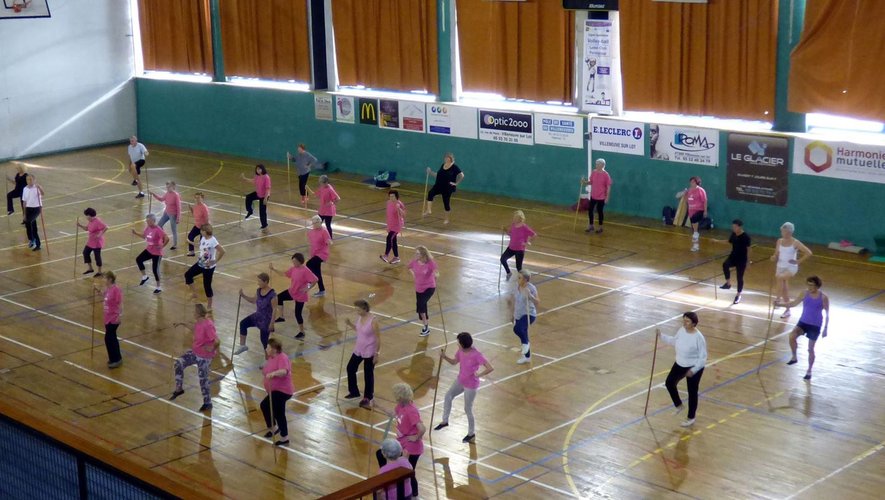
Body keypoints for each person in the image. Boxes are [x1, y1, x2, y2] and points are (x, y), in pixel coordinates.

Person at [434, 332, 494, 443]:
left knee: (467, 409)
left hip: (471, 385)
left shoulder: (476, 354)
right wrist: (444, 357)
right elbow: (454, 362)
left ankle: (471, 433)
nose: (457, 344)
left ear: (463, 344)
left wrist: (479, 375)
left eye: (458, 343)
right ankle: (445, 421)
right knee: (448, 395)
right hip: (460, 380)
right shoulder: (461, 351)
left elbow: (490, 368)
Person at [656, 312, 707, 427]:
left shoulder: (699, 338)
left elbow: (703, 358)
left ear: (694, 324)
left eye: (687, 321)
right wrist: (661, 336)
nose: (684, 323)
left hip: (694, 366)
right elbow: (674, 341)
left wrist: (693, 370)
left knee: (692, 392)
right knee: (669, 383)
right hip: (680, 364)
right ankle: (679, 405)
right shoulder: (681, 330)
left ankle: (691, 417)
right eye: (684, 320)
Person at [375, 383, 424, 498]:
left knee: (408, 471)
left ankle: (414, 493)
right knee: (380, 454)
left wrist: (416, 437)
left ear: (401, 397)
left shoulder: (411, 410)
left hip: (412, 446)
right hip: (402, 441)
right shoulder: (400, 406)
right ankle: (388, 474)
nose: (395, 398)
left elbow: (422, 428)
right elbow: (393, 414)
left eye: (397, 396)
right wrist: (378, 406)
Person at [777, 276, 829, 380]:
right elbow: (793, 303)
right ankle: (794, 356)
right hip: (803, 322)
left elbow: (827, 313)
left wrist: (825, 328)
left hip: (815, 325)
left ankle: (809, 370)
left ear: (817, 286)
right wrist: (780, 304)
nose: (810, 287)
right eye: (808, 285)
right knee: (792, 336)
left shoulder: (823, 297)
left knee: (810, 349)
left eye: (812, 285)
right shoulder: (804, 293)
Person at [170, 304, 220, 412]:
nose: (193, 313)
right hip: (195, 353)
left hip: (204, 358)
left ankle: (208, 403)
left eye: (194, 312)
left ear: (198, 314)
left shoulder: (208, 325)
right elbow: (194, 328)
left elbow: (217, 341)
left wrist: (211, 348)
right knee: (179, 363)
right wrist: (182, 323)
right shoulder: (199, 323)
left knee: (203, 380)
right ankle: (179, 389)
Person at [270, 252, 317, 339]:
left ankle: (302, 332)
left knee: (297, 314)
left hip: (300, 295)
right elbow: (284, 274)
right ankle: (281, 317)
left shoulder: (306, 271)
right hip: (292, 292)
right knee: (278, 297)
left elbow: (315, 280)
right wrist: (273, 269)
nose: (293, 263)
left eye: (295, 262)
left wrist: (308, 288)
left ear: (300, 261)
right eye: (293, 261)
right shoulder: (293, 269)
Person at [771, 222, 813, 319]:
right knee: (784, 287)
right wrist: (774, 257)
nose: (782, 232)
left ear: (789, 232)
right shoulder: (779, 241)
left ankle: (777, 299)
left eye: (784, 231)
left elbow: (808, 253)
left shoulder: (795, 242)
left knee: (780, 278)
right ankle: (787, 310)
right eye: (782, 230)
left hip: (791, 267)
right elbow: (776, 254)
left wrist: (798, 261)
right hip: (780, 266)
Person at [344, 299, 381, 409]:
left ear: (365, 309)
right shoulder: (360, 317)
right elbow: (358, 329)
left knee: (368, 374)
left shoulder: (373, 321)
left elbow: (378, 338)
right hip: (359, 348)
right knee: (350, 368)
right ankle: (354, 391)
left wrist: (377, 353)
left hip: (370, 350)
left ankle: (367, 397)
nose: (357, 311)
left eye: (358, 309)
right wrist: (349, 324)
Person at [260, 338, 293, 446]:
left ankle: (274, 428)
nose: (266, 349)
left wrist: (273, 373)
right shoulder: (271, 357)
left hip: (282, 391)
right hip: (274, 390)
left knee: (265, 405)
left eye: (268, 347)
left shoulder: (282, 357)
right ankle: (284, 437)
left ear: (274, 349)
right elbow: (266, 371)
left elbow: (284, 371)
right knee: (279, 413)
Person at [234, 273, 277, 356]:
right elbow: (253, 300)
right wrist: (243, 295)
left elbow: (275, 309)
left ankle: (267, 360)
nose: (258, 283)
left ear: (266, 282)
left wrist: (272, 323)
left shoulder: (272, 295)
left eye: (260, 281)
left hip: (266, 320)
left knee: (264, 341)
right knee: (243, 323)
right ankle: (243, 346)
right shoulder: (258, 290)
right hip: (257, 316)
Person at [185, 224, 224, 310]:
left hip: (208, 267)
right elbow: (200, 245)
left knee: (207, 285)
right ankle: (194, 293)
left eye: (201, 231)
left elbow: (222, 251)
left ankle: (209, 305)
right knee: (188, 274)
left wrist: (215, 261)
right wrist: (190, 242)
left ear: (205, 231)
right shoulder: (203, 238)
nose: (200, 232)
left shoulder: (213, 241)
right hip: (201, 262)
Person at [714, 219, 751, 304]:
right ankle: (728, 283)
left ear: (740, 227)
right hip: (733, 257)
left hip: (742, 259)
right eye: (733, 226)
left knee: (739, 277)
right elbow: (728, 241)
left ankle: (738, 295)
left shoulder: (746, 237)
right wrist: (717, 241)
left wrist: (748, 261)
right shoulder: (734, 234)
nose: (733, 228)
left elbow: (749, 249)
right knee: (725, 265)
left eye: (735, 227)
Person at [132, 213, 169, 294]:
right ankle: (145, 276)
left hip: (157, 253)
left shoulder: (158, 229)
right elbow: (144, 236)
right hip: (149, 250)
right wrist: (135, 233)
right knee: (139, 259)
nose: (147, 222)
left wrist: (162, 246)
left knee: (155, 270)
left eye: (149, 221)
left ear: (153, 221)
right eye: (147, 221)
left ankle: (158, 287)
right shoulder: (148, 228)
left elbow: (166, 238)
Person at [424, 153, 464, 225]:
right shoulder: (443, 165)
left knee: (446, 203)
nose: (446, 159)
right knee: (430, 193)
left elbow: (462, 175)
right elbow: (437, 175)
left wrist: (456, 183)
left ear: (451, 159)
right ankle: (428, 210)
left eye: (448, 158)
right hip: (438, 185)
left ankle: (446, 219)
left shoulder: (454, 167)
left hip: (447, 188)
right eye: (445, 158)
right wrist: (430, 172)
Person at [509, 270, 539, 365]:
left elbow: (537, 301)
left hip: (529, 314)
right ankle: (527, 357)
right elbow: (513, 301)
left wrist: (530, 295)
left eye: (519, 278)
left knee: (517, 329)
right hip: (518, 313)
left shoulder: (531, 288)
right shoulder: (516, 287)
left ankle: (526, 344)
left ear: (525, 280)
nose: (517, 279)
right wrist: (512, 314)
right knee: (523, 334)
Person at [408, 246, 438, 337]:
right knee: (422, 307)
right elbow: (408, 267)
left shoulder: (429, 263)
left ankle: (425, 328)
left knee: (421, 305)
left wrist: (435, 275)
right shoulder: (414, 262)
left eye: (417, 253)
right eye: (415, 253)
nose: (415, 255)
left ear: (422, 254)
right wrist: (413, 275)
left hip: (429, 287)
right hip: (418, 288)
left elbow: (435, 271)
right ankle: (426, 327)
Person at [96, 271, 123, 368]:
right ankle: (113, 358)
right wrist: (98, 292)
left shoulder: (116, 290)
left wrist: (119, 316)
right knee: (111, 338)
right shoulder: (108, 289)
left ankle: (117, 359)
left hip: (113, 317)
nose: (104, 280)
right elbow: (104, 296)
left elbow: (120, 303)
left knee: (109, 338)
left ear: (110, 279)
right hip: (107, 317)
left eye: (105, 278)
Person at [500, 210, 536, 280]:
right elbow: (511, 234)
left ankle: (524, 280)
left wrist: (527, 242)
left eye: (515, 218)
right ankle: (508, 272)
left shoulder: (524, 227)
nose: (514, 219)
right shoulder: (513, 225)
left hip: (519, 249)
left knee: (518, 267)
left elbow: (534, 235)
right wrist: (505, 230)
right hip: (511, 247)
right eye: (514, 217)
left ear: (520, 218)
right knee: (502, 259)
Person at [582, 158, 612, 233]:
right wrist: (585, 182)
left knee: (600, 211)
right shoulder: (594, 172)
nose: (596, 165)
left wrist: (607, 197)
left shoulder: (606, 175)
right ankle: (591, 226)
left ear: (602, 165)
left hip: (601, 197)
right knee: (590, 210)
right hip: (593, 196)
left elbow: (608, 186)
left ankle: (600, 227)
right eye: (596, 164)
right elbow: (591, 182)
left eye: (598, 164)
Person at [306, 215, 332, 298]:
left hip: (322, 254)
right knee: (318, 272)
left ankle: (311, 281)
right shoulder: (311, 232)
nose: (314, 225)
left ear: (320, 222)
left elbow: (328, 241)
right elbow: (312, 243)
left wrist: (329, 242)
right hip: (314, 253)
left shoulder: (324, 231)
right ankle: (322, 290)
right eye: (313, 223)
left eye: (316, 223)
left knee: (308, 264)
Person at [150, 181, 182, 250]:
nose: (167, 189)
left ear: (173, 187)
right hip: (166, 213)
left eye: (169, 187)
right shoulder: (167, 193)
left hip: (173, 214)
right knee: (159, 225)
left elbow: (179, 207)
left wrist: (178, 218)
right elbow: (161, 199)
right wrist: (154, 195)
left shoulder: (176, 195)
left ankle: (175, 245)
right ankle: (164, 237)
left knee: (174, 230)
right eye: (167, 187)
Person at [77, 208, 108, 276]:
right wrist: (80, 225)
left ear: (90, 215)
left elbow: (106, 227)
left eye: (86, 215)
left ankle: (99, 272)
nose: (86, 217)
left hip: (97, 242)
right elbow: (86, 229)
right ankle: (90, 268)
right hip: (91, 241)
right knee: (85, 253)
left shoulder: (97, 221)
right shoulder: (90, 221)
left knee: (97, 256)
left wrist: (100, 234)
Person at [242, 164, 271, 230]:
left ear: (262, 169)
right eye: (257, 169)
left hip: (264, 195)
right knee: (248, 197)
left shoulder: (266, 177)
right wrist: (245, 179)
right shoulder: (257, 176)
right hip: (258, 193)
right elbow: (253, 181)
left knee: (262, 211)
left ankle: (264, 225)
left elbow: (268, 188)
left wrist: (266, 198)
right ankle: (250, 210)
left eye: (259, 169)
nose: (258, 170)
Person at [682, 176, 707, 252]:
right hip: (691, 211)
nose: (691, 183)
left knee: (694, 218)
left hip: (699, 210)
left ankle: (696, 233)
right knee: (694, 232)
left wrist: (705, 211)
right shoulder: (689, 191)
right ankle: (696, 246)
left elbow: (705, 201)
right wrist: (684, 193)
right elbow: (687, 200)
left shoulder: (701, 190)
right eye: (691, 182)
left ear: (697, 183)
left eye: (693, 182)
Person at [381, 190, 406, 264]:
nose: (391, 198)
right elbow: (388, 215)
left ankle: (386, 255)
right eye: (390, 196)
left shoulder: (399, 204)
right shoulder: (388, 203)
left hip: (397, 225)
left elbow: (403, 215)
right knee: (393, 241)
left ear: (396, 196)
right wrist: (388, 226)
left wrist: (399, 209)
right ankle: (396, 257)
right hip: (391, 225)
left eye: (393, 196)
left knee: (389, 238)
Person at [21, 174, 44, 251]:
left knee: (29, 221)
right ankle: (38, 245)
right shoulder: (25, 189)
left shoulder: (37, 188)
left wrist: (40, 188)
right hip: (28, 208)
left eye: (31, 179)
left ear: (34, 180)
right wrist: (24, 214)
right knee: (33, 227)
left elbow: (43, 194)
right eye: (28, 179)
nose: (29, 181)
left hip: (37, 208)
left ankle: (31, 239)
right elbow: (24, 202)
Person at [186, 192, 210, 257]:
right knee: (190, 236)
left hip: (203, 227)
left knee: (202, 242)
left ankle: (204, 255)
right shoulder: (195, 206)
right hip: (197, 226)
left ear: (202, 198)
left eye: (198, 198)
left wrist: (206, 229)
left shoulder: (204, 207)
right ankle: (191, 252)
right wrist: (191, 209)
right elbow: (194, 214)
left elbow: (207, 218)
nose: (197, 199)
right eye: (196, 198)